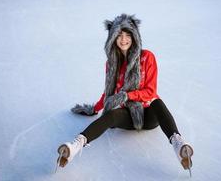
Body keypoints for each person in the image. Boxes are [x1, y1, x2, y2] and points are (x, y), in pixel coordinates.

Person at [56, 14, 194, 175]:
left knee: (157, 101)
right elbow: (108, 92)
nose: (123, 39)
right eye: (119, 35)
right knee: (112, 115)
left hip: (149, 115)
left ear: (134, 37)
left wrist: (127, 96)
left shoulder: (147, 57)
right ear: (113, 38)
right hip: (127, 116)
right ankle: (75, 146)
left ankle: (178, 144)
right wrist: (94, 109)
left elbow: (150, 91)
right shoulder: (111, 64)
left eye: (128, 35)